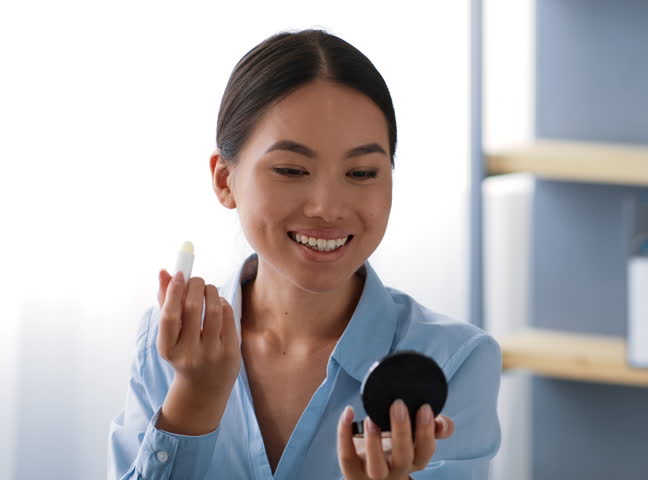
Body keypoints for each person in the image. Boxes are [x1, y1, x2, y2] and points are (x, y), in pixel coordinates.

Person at [107, 28, 502, 480]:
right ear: (224, 180)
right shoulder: (169, 344)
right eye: (292, 170)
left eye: (361, 171)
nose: (327, 207)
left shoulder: (456, 361)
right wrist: (194, 400)